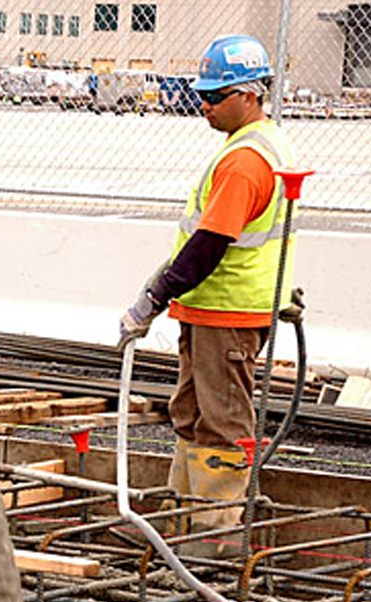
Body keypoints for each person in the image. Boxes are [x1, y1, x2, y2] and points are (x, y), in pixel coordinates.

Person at [117, 34, 299, 557]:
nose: (204, 105)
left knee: (221, 425)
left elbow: (209, 245)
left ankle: (214, 542)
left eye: (214, 97)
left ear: (248, 94)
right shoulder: (255, 144)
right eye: (202, 94)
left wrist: (153, 298)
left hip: (226, 313)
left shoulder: (246, 161)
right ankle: (182, 524)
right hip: (212, 309)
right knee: (193, 414)